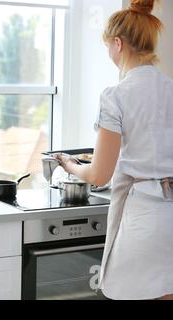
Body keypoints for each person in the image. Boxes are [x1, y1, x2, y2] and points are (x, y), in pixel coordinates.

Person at [55, 0, 172, 300]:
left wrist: (69, 164)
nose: (108, 53)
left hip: (143, 218)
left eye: (108, 46)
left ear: (118, 44)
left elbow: (99, 173)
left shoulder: (116, 96)